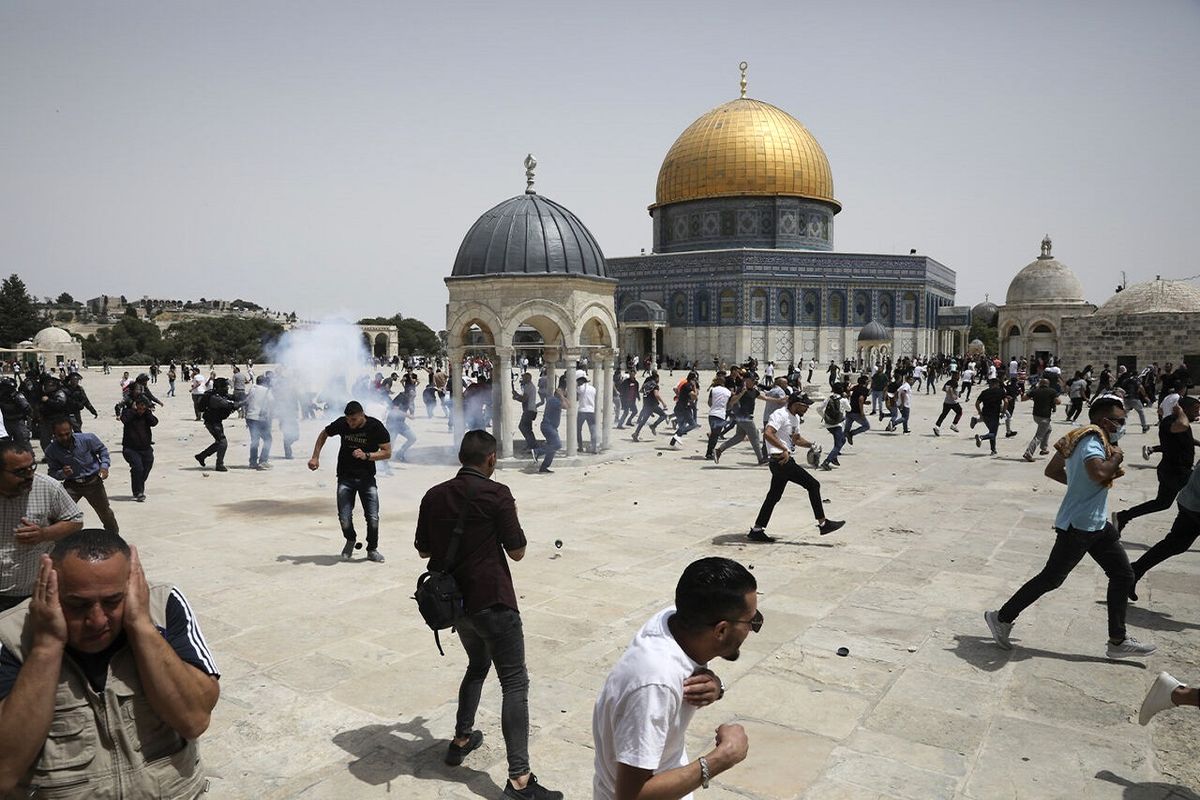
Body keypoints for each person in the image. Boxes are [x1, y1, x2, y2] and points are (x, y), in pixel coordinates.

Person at [0, 529, 220, 797]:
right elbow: (5, 770)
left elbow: (194, 720)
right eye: (77, 604)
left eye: (112, 601)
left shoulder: (163, 607)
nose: (97, 620)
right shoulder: (10, 635)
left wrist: (142, 625)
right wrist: (46, 647)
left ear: (132, 584)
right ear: (50, 587)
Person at [414, 430, 562, 800]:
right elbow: (518, 551)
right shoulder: (497, 494)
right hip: (492, 601)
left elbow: (422, 551)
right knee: (514, 683)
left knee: (477, 666)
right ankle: (520, 780)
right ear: (491, 459)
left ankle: (462, 738)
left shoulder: (434, 495)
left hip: (455, 605)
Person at [985, 397, 1155, 659]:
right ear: (1104, 421)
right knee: (1051, 579)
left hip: (1096, 523)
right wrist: (1116, 458)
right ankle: (1002, 617)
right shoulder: (1091, 441)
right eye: (1119, 420)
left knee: (1123, 575)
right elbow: (1099, 473)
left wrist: (1078, 485)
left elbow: (1053, 470)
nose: (1123, 424)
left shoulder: (1079, 436)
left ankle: (1118, 641)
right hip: (1080, 526)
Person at [592, 557, 752, 800]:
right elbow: (631, 796)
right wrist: (722, 758)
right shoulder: (656, 685)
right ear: (720, 630)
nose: (752, 629)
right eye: (751, 622)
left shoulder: (674, 620)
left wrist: (716, 687)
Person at [0, 440, 84, 611]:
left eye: (32, 467)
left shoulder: (48, 487)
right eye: (20, 471)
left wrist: (44, 534)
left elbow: (75, 520)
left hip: (30, 595)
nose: (29, 475)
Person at [747, 394, 844, 542]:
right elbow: (768, 433)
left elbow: (796, 438)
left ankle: (757, 529)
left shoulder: (795, 418)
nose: (807, 408)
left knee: (773, 497)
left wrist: (811, 444)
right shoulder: (780, 414)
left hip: (782, 460)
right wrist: (784, 448)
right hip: (781, 460)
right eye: (805, 405)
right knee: (813, 485)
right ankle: (823, 523)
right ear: (795, 404)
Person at [308, 401, 391, 563]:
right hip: (345, 477)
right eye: (348, 420)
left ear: (362, 415)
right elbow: (324, 434)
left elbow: (387, 452)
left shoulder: (375, 427)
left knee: (373, 516)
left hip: (367, 479)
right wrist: (315, 456)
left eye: (353, 420)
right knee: (344, 517)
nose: (350, 423)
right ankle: (350, 539)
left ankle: (372, 549)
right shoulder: (342, 423)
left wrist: (367, 456)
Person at [1113, 396, 1198, 535]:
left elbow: (1185, 436)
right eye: (1195, 410)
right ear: (1183, 409)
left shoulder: (1181, 422)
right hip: (1176, 472)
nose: (1198, 414)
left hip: (1173, 471)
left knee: (1162, 503)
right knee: (1193, 500)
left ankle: (1123, 516)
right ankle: (1178, 536)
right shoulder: (1170, 421)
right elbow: (1182, 426)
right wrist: (1180, 411)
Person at [45, 417, 120, 528]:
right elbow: (52, 472)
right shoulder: (51, 450)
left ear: (72, 430)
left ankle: (114, 537)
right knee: (59, 514)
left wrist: (104, 466)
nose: (65, 437)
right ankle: (61, 541)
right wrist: (62, 473)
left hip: (93, 483)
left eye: (67, 433)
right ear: (54, 434)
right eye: (60, 435)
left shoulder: (87, 439)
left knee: (105, 512)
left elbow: (102, 450)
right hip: (71, 485)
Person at [194, 377, 239, 473]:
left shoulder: (219, 394)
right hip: (212, 422)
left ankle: (202, 456)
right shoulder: (215, 398)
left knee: (219, 442)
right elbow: (231, 405)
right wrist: (245, 402)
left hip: (215, 421)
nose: (227, 388)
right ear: (220, 387)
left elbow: (231, 397)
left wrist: (242, 396)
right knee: (223, 442)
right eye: (225, 386)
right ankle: (219, 465)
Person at [120, 396, 158, 502]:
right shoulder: (128, 413)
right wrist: (134, 411)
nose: (141, 411)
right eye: (139, 408)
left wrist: (147, 412)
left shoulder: (146, 415)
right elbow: (124, 420)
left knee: (147, 465)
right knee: (137, 468)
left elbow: (154, 422)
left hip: (146, 448)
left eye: (143, 408)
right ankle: (138, 492)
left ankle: (139, 484)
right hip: (130, 448)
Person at [1021, 378, 1060, 462]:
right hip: (1045, 417)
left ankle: (1044, 448)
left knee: (1048, 429)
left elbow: (1023, 398)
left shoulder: (1035, 391)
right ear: (1048, 384)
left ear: (1040, 383)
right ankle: (1028, 453)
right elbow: (1058, 402)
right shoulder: (1051, 391)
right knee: (1038, 436)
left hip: (1036, 416)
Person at [535, 376, 566, 473]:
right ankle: (537, 451)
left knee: (551, 449)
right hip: (548, 427)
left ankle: (544, 467)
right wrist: (562, 396)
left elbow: (569, 404)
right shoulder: (554, 401)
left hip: (550, 427)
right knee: (557, 445)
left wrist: (563, 397)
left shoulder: (554, 399)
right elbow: (568, 406)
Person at [972, 378, 1007, 455]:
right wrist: (1003, 412)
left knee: (992, 431)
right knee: (993, 433)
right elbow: (1006, 402)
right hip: (994, 415)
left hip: (985, 414)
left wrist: (980, 412)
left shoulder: (984, 392)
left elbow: (977, 403)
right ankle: (981, 437)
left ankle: (993, 450)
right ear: (996, 384)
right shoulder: (1001, 391)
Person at [512, 372, 540, 455]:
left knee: (523, 427)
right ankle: (531, 444)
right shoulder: (529, 386)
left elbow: (524, 399)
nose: (522, 380)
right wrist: (516, 394)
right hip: (530, 410)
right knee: (528, 428)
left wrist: (516, 398)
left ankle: (532, 445)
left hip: (529, 410)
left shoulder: (528, 386)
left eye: (524, 378)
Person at [577, 373, 599, 454]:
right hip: (591, 411)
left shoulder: (580, 388)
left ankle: (580, 447)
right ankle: (594, 447)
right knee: (593, 430)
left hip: (582, 411)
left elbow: (575, 397)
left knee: (578, 429)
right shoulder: (593, 389)